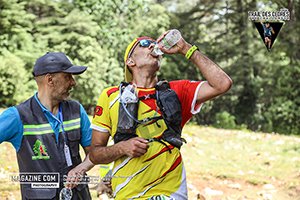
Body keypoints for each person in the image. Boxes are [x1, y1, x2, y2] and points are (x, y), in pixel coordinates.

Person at [90, 30, 232, 199]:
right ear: (130, 61)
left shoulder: (177, 91)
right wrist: (122, 147)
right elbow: (95, 154)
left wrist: (186, 48)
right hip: (129, 194)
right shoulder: (111, 96)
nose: (152, 45)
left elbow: (222, 84)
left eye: (153, 42)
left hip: (171, 193)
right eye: (144, 43)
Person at [0, 52, 94, 199]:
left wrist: (81, 169)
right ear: (50, 80)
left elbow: (94, 152)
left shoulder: (77, 110)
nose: (73, 82)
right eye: (67, 77)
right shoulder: (17, 116)